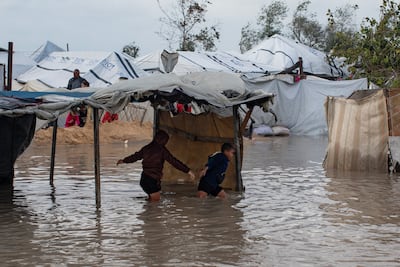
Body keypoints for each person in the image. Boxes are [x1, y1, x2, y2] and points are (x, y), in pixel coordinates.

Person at [117, 130, 195, 201]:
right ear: (164, 140)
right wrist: (188, 171)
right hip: (152, 180)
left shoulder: (146, 148)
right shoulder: (162, 150)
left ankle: (146, 215)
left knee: (151, 202)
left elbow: (135, 157)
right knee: (155, 205)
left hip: (144, 179)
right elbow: (174, 162)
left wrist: (124, 160)